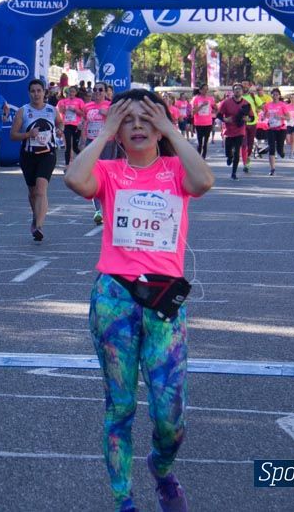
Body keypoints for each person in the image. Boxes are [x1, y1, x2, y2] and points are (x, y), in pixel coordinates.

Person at [64, 88, 213, 512]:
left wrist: (171, 128)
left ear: (161, 127)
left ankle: (162, 470)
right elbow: (76, 179)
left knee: (170, 415)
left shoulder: (174, 169)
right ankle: (122, 499)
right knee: (121, 405)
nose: (137, 128)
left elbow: (204, 181)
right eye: (128, 121)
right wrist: (105, 131)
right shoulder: (109, 173)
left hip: (164, 301)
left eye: (146, 121)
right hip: (115, 298)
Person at [10, 79, 63, 241]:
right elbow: (13, 135)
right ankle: (36, 216)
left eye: (39, 91)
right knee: (33, 192)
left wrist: (60, 131)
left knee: (41, 189)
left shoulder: (52, 110)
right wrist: (28, 135)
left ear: (44, 92)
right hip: (28, 155)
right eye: (33, 91)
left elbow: (60, 124)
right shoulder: (23, 111)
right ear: (29, 93)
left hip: (48, 154)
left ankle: (39, 226)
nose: (36, 94)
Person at [81, 84, 112, 223]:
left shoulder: (111, 105)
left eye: (101, 90)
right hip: (91, 142)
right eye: (95, 90)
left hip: (107, 143)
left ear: (105, 92)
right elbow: (84, 122)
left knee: (105, 176)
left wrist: (108, 114)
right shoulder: (88, 106)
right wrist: (82, 140)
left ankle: (107, 207)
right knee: (93, 176)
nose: (97, 92)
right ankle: (98, 210)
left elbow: (117, 122)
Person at [216, 83, 251, 181]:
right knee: (228, 152)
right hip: (228, 131)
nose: (237, 91)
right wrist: (225, 120)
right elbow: (218, 115)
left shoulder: (246, 103)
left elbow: (251, 117)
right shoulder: (226, 103)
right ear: (233, 91)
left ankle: (234, 173)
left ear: (242, 91)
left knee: (237, 153)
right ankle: (229, 156)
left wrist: (247, 118)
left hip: (240, 131)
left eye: (239, 89)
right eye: (235, 89)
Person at [262, 88, 288, 176]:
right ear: (271, 95)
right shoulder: (267, 105)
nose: (275, 96)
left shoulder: (283, 105)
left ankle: (281, 151)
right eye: (273, 94)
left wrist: (280, 117)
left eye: (277, 94)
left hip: (281, 129)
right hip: (270, 129)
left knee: (280, 148)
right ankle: (272, 169)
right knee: (271, 148)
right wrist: (265, 116)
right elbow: (263, 117)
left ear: (279, 96)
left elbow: (288, 117)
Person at [59, 86, 85, 169]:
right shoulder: (64, 101)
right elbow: (61, 112)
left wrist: (75, 110)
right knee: (68, 146)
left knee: (75, 147)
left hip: (76, 126)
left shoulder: (79, 101)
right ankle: (67, 166)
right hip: (67, 125)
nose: (71, 93)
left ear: (76, 93)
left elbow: (83, 113)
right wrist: (63, 109)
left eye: (73, 92)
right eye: (70, 92)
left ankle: (85, 160)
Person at [190, 85, 215, 159]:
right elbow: (193, 112)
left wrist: (214, 110)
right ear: (200, 90)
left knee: (205, 142)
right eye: (203, 89)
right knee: (200, 142)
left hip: (208, 123)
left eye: (207, 89)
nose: (205, 91)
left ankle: (203, 156)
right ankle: (198, 157)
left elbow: (215, 108)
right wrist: (202, 105)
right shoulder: (196, 99)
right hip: (199, 123)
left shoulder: (210, 99)